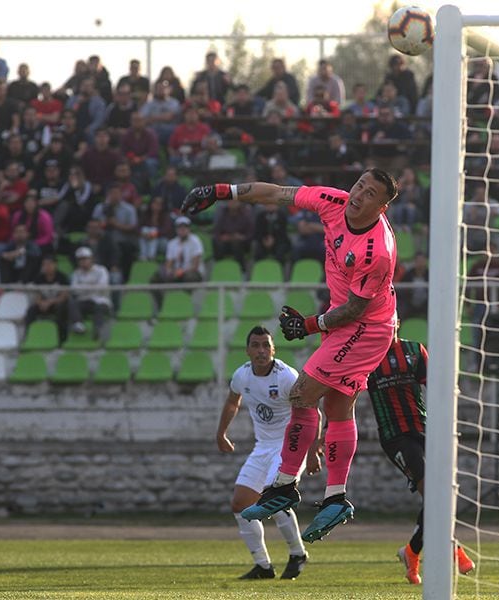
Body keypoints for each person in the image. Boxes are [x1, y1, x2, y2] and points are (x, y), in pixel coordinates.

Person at [181, 167, 400, 542]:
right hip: (353, 322)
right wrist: (221, 190)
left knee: (301, 394)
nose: (358, 194)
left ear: (381, 206)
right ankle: (335, 498)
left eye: (369, 193)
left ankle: (283, 485)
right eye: (359, 185)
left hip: (366, 326)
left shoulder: (376, 250)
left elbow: (355, 310)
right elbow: (276, 193)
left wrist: (310, 325)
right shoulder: (333, 202)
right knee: (336, 409)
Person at [365, 322, 475, 584]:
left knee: (441, 495)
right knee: (435, 495)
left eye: (389, 321)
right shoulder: (366, 359)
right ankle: (454, 551)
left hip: (425, 431)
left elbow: (436, 387)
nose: (386, 326)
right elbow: (344, 394)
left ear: (397, 323)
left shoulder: (415, 351)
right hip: (395, 437)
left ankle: (411, 552)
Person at [217, 326, 316, 580]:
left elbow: (312, 410)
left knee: (277, 497)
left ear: (273, 349)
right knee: (240, 503)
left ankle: (297, 553)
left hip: (290, 446)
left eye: (265, 345)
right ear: (248, 350)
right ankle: (263, 566)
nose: (261, 350)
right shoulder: (242, 376)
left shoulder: (286, 377)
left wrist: (315, 449)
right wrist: (221, 433)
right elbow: (232, 401)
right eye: (256, 345)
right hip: (263, 447)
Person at [25, 254, 70, 343]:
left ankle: (61, 338)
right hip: (43, 304)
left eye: (49, 264)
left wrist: (49, 302)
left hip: (56, 304)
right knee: (31, 310)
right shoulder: (39, 278)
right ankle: (28, 336)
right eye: (44, 265)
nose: (46, 267)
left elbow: (64, 296)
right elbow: (37, 295)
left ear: (55, 265)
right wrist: (40, 303)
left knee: (61, 309)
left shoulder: (62, 277)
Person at [69, 246, 111, 339]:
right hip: (84, 301)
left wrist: (83, 287)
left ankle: (97, 330)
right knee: (72, 303)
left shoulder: (101, 270)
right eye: (80, 259)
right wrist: (92, 286)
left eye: (85, 259)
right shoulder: (76, 273)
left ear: (91, 258)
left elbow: (102, 286)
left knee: (99, 307)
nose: (83, 262)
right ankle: (78, 324)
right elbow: (74, 290)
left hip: (100, 300)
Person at [150, 216, 203, 286]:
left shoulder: (195, 241)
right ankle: (160, 296)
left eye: (185, 227)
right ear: (176, 229)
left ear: (189, 228)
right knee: (156, 277)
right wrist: (171, 271)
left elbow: (195, 265)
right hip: (176, 272)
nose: (182, 229)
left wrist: (182, 272)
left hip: (192, 272)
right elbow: (169, 263)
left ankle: (191, 295)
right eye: (180, 227)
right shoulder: (172, 243)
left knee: (189, 277)